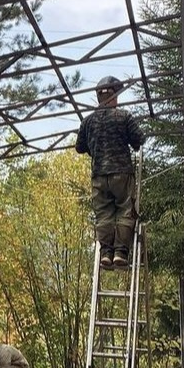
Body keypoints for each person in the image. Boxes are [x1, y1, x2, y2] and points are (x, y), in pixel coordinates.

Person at [75, 75, 144, 269]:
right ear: (114, 97)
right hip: (122, 173)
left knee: (103, 214)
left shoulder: (87, 122)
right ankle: (120, 252)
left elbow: (79, 147)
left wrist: (95, 148)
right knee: (125, 211)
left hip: (99, 176)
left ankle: (106, 253)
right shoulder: (124, 117)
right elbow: (139, 140)